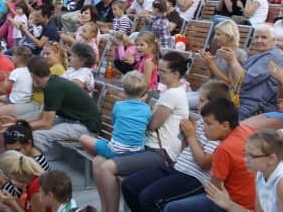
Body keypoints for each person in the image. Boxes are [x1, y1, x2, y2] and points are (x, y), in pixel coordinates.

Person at [93, 52, 189, 212]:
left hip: (160, 153)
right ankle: (106, 208)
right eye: (159, 70)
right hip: (149, 147)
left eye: (163, 71)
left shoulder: (172, 94)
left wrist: (132, 109)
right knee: (98, 161)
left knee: (106, 167)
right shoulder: (172, 92)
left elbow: (152, 125)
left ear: (176, 74)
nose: (159, 74)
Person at [121, 81, 230, 212]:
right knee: (129, 185)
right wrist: (185, 135)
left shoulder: (216, 129)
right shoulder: (201, 122)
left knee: (148, 198)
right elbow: (184, 151)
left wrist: (191, 136)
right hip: (177, 167)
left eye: (202, 100)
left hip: (194, 178)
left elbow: (204, 163)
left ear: (214, 104)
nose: (197, 104)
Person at [163, 98, 256, 212]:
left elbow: (213, 189)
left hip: (232, 202)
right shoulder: (246, 130)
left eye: (209, 124)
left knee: (172, 208)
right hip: (252, 201)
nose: (203, 128)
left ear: (225, 125)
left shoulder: (224, 149)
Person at [205, 129, 283, 212]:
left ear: (271, 159)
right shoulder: (260, 174)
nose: (245, 159)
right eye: (245, 154)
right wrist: (229, 205)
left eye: (252, 156)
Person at [80, 71, 151, 158]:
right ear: (142, 92)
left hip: (115, 150)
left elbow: (114, 123)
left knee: (83, 138)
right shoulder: (146, 108)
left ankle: (102, 158)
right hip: (137, 152)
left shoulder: (119, 105)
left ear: (124, 90)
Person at [236, 25, 283, 119]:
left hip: (256, 106)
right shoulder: (260, 54)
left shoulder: (271, 56)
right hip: (243, 99)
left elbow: (245, 79)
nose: (259, 40)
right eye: (256, 37)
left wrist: (232, 61)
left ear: (273, 40)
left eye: (264, 37)